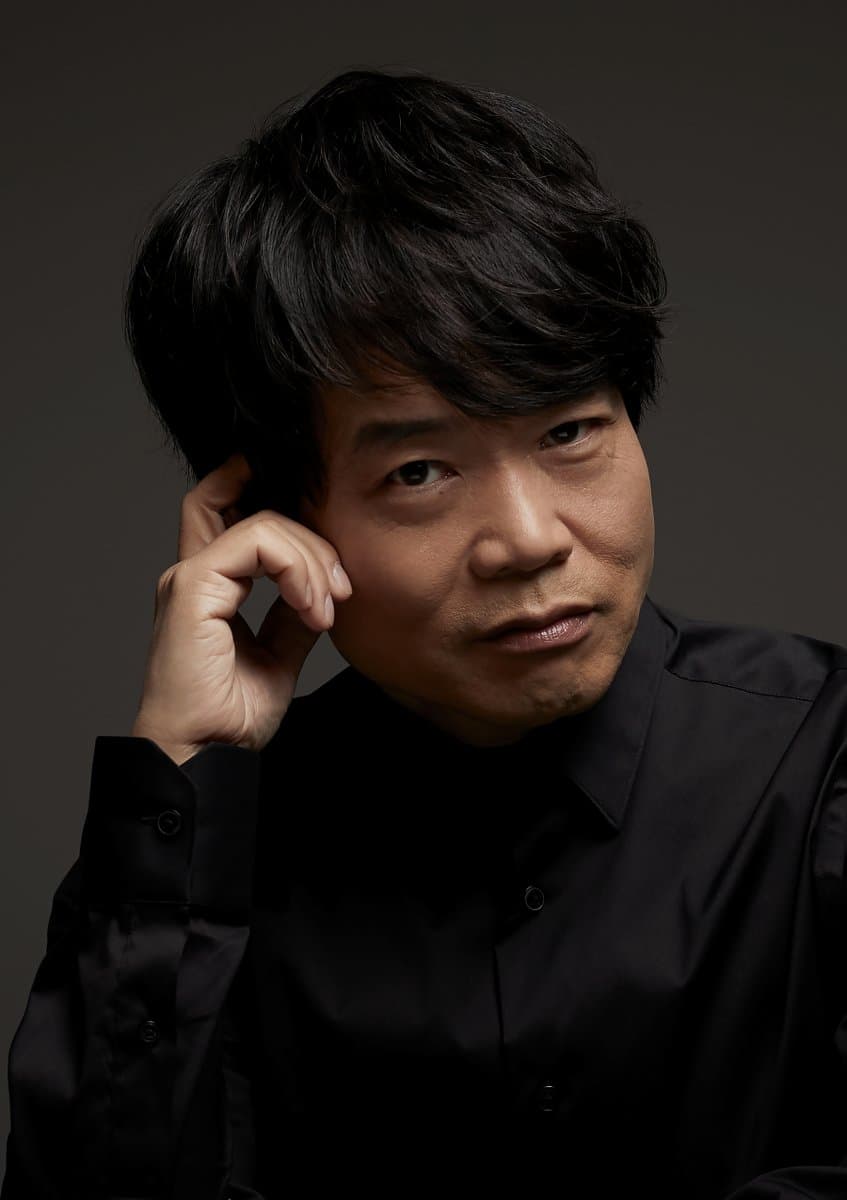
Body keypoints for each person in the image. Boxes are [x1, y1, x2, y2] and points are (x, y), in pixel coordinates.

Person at [2, 66, 846, 1199]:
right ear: (272, 521)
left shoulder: (825, 760)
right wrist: (185, 784)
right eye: (420, 471)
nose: (529, 540)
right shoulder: (209, 858)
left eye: (570, 431)